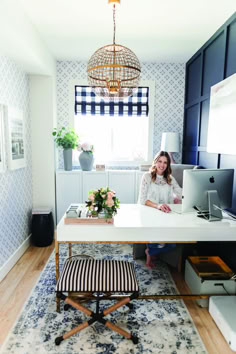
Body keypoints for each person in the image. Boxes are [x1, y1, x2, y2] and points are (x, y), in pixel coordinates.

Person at [138, 151, 182, 268]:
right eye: (160, 161)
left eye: (165, 162)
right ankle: (151, 253)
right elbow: (142, 200)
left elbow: (180, 193)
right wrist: (157, 206)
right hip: (151, 213)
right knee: (157, 239)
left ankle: (150, 252)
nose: (162, 165)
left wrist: (184, 197)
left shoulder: (170, 179)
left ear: (168, 165)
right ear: (155, 162)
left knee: (172, 245)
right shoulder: (147, 177)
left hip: (167, 214)